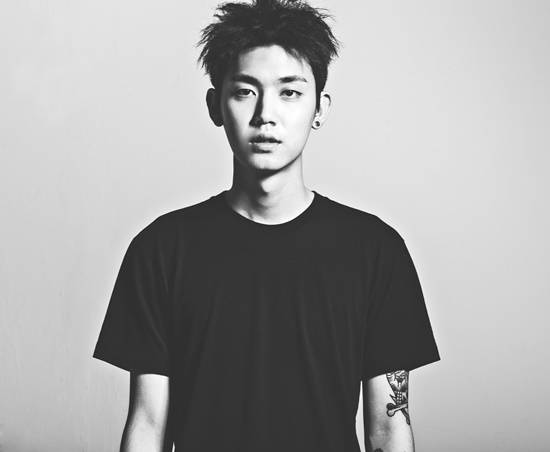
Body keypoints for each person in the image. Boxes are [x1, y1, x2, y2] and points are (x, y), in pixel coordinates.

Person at [92, 0, 441, 451]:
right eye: (245, 91)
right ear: (215, 106)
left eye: (290, 92)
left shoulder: (376, 251)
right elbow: (147, 423)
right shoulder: (160, 250)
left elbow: (389, 428)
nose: (265, 116)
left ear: (320, 108)